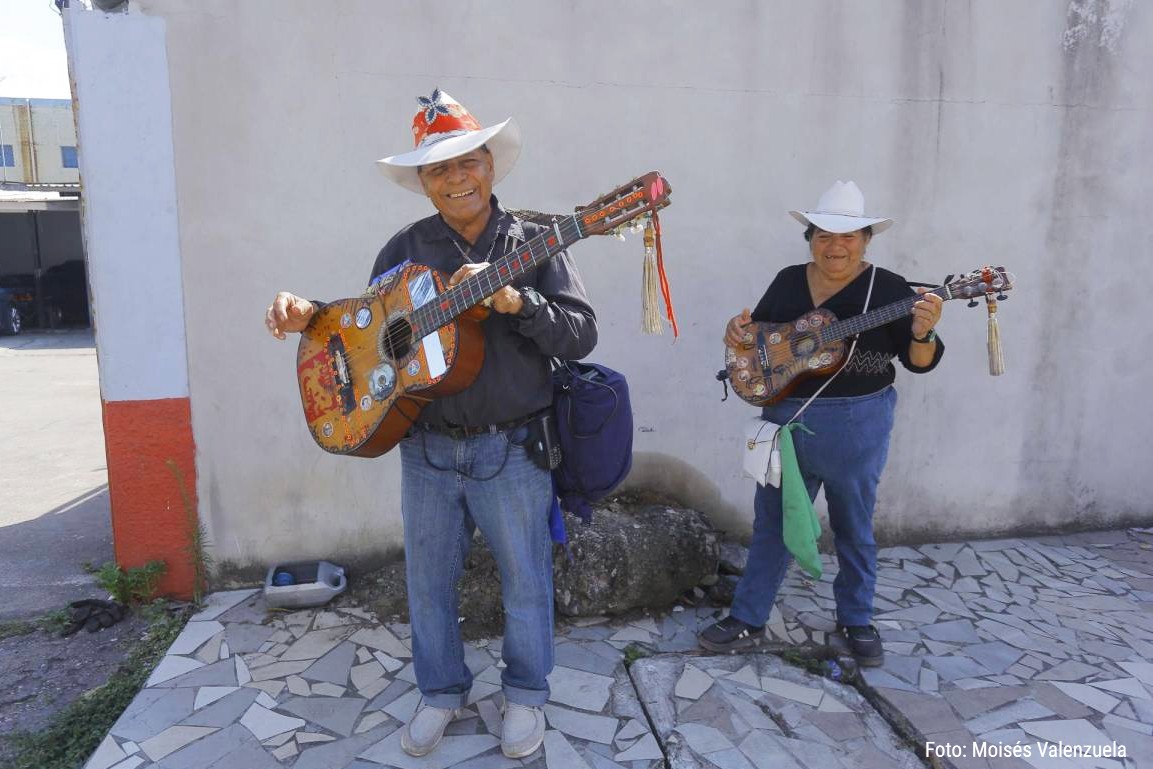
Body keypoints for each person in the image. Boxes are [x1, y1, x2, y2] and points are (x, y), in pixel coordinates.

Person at [265, 89, 597, 759]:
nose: (456, 179)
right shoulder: (404, 247)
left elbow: (581, 334)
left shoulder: (533, 241)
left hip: (512, 448)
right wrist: (311, 315)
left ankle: (526, 696)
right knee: (427, 582)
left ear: (490, 167)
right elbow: (366, 338)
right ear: (423, 182)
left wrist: (516, 299)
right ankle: (441, 692)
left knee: (526, 580)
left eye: (467, 162)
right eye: (439, 169)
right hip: (425, 448)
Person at [699, 180, 944, 667]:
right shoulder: (790, 280)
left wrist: (924, 330)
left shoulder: (890, 290)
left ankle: (856, 620)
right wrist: (738, 334)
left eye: (849, 236)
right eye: (825, 235)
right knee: (773, 522)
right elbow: (760, 340)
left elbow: (919, 362)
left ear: (867, 240)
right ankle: (747, 617)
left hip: (858, 423)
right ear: (810, 238)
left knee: (853, 525)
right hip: (787, 419)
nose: (836, 246)